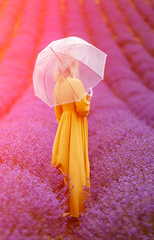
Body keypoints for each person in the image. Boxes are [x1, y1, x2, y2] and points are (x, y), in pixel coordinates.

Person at [51, 54, 92, 218]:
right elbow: (83, 110)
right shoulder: (76, 83)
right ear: (71, 67)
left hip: (63, 127)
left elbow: (58, 114)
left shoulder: (57, 86)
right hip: (75, 125)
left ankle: (65, 206)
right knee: (75, 163)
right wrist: (88, 97)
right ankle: (78, 209)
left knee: (66, 164)